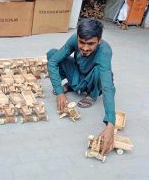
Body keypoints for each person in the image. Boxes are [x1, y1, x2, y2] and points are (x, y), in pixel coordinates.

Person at [47, 18, 115, 155]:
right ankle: (71, 86)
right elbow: (53, 62)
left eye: (90, 44)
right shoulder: (74, 39)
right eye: (81, 42)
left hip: (91, 79)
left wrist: (111, 124)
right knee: (52, 54)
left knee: (99, 73)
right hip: (78, 72)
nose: (84, 48)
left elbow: (108, 87)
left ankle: (92, 94)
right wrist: (60, 92)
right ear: (77, 37)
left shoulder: (104, 51)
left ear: (99, 40)